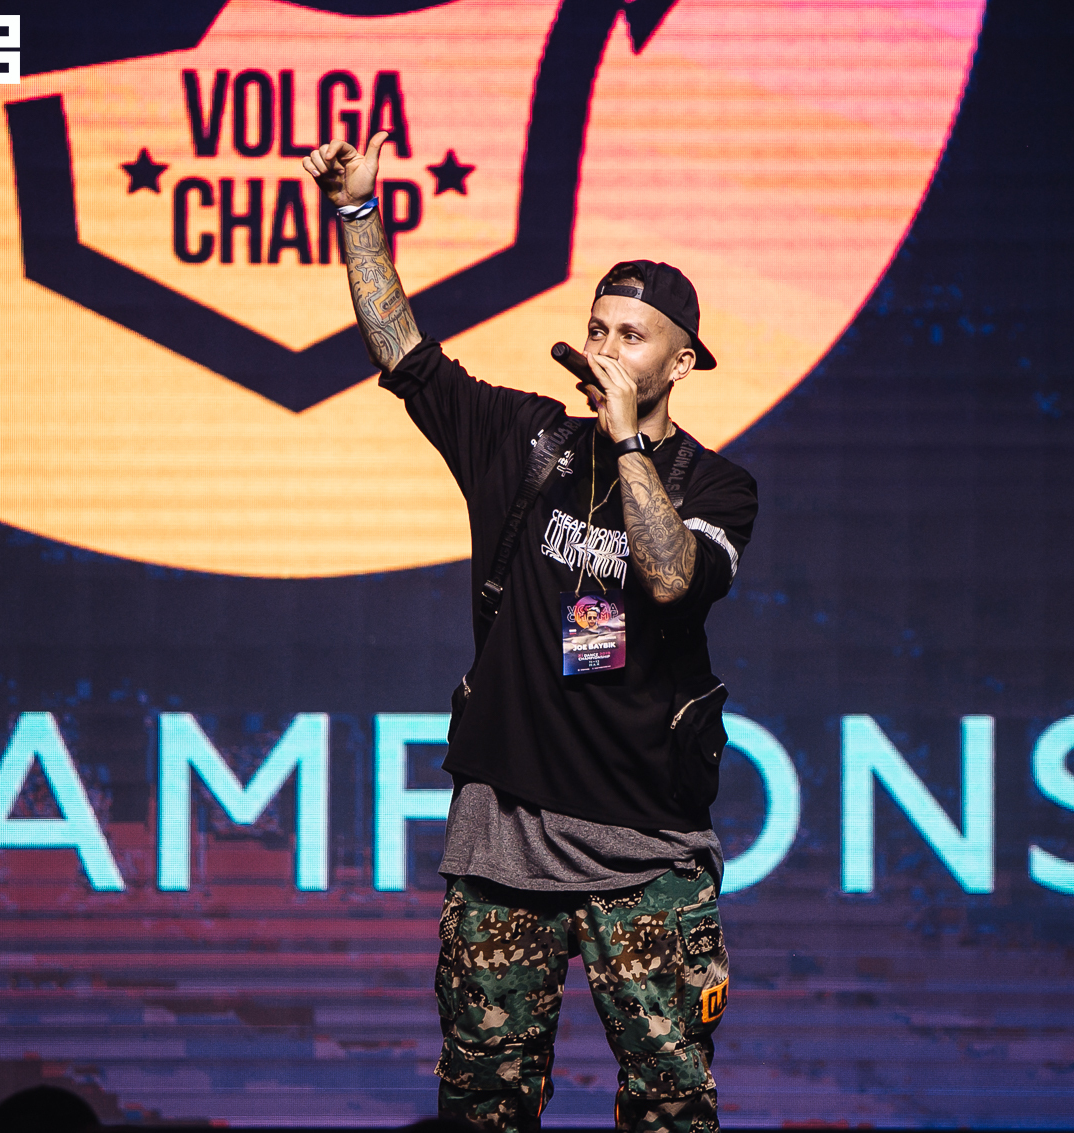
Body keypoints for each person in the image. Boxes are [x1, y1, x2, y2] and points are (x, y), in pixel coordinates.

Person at [304, 132, 754, 1132]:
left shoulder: (720, 486)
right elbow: (402, 350)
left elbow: (670, 577)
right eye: (597, 327)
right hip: (504, 841)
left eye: (632, 335)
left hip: (644, 853)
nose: (607, 348)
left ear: (682, 362)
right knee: (481, 1108)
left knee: (671, 1108)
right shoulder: (525, 441)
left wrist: (628, 437)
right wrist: (357, 212)